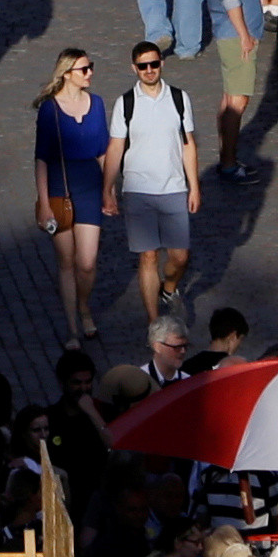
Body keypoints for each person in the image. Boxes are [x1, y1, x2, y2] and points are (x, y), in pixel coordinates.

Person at [108, 37, 206, 356]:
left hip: (174, 186)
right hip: (137, 189)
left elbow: (188, 143)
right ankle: (155, 325)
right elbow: (116, 147)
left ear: (162, 64)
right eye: (142, 66)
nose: (149, 70)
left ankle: (169, 288)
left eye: (154, 64)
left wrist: (194, 185)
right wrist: (107, 188)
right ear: (134, 68)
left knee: (180, 256)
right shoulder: (126, 103)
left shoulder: (179, 98)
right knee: (148, 256)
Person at [31, 48, 118, 338]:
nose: (90, 73)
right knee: (66, 262)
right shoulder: (49, 109)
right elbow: (41, 158)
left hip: (90, 187)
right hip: (60, 188)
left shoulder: (96, 104)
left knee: (88, 262)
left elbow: (103, 151)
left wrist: (109, 189)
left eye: (90, 67)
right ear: (67, 73)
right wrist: (43, 204)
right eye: (84, 69)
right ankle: (71, 327)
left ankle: (83, 306)